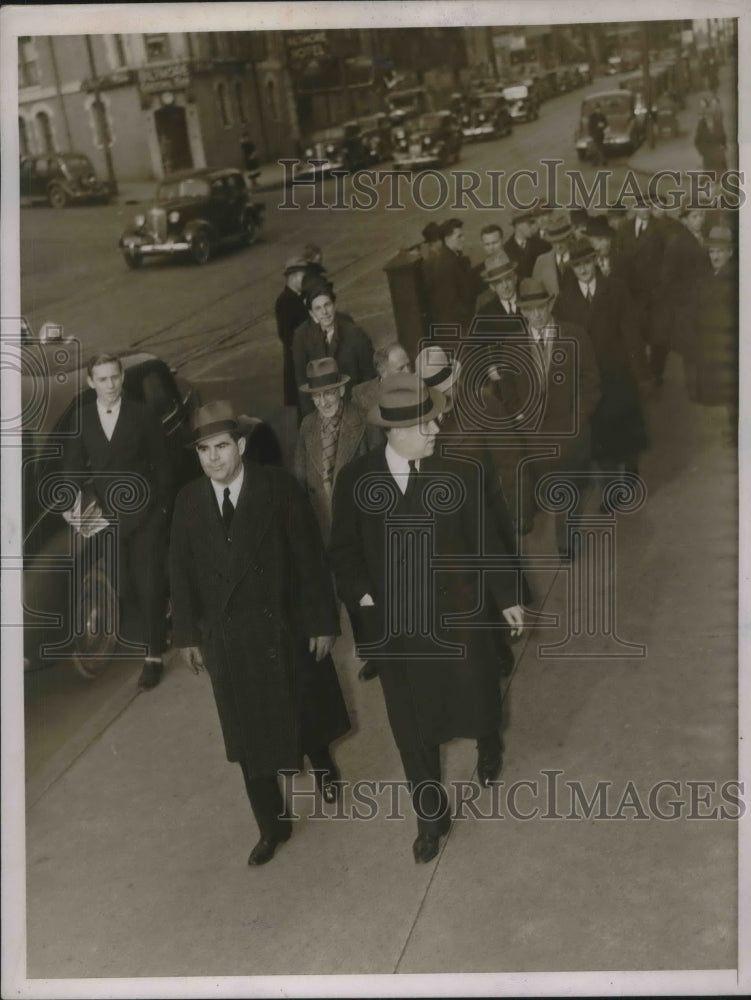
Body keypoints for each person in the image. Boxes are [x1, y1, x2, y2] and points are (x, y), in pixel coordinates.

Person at [330, 374, 525, 863]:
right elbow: (345, 555)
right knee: (412, 726)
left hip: (460, 618)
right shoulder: (356, 481)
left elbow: (486, 542)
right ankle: (430, 818)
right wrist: (368, 600)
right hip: (398, 633)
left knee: (475, 695)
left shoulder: (458, 473)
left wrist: (507, 597)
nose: (438, 428)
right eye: (427, 421)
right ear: (395, 432)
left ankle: (488, 746)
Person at [169, 401, 350, 866]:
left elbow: (310, 560)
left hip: (285, 628)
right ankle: (272, 825)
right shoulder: (189, 502)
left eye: (222, 447)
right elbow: (181, 572)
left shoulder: (279, 489)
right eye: (205, 450)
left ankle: (322, 762)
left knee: (303, 711)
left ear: (241, 446)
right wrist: (188, 635)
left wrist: (322, 622)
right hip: (229, 644)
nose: (213, 458)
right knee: (249, 737)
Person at [62, 354, 174, 690]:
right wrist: (74, 502)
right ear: (90, 382)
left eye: (114, 377)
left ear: (122, 377)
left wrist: (161, 510)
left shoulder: (142, 414)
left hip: (147, 515)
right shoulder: (82, 419)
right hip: (108, 521)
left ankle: (153, 656)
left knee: (148, 582)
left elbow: (164, 465)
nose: (110, 385)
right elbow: (71, 467)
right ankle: (165, 615)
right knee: (126, 587)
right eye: (102, 379)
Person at [507, 279, 601, 552]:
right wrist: (519, 416)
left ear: (549, 305)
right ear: (522, 311)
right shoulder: (512, 346)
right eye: (529, 309)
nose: (536, 315)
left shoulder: (575, 336)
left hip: (569, 431)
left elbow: (591, 381)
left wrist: (578, 418)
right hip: (535, 435)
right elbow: (509, 391)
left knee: (568, 489)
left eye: (541, 307)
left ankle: (565, 540)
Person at [553, 237, 650, 484]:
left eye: (587, 262)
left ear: (596, 261)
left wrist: (639, 373)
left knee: (624, 427)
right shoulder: (564, 301)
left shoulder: (616, 289)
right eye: (577, 265)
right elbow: (563, 344)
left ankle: (630, 473)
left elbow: (631, 334)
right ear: (571, 269)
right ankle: (610, 487)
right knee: (599, 435)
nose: (584, 269)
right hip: (588, 378)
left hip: (618, 372)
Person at [293, 358, 369, 545]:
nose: (323, 402)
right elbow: (299, 481)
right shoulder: (307, 425)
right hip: (325, 530)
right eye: (316, 396)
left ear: (341, 390)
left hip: (362, 526)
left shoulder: (364, 420)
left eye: (329, 393)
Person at [292, 282, 375, 419]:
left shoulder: (355, 334)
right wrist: (312, 419)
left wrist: (363, 411)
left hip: (355, 409)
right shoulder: (303, 337)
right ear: (312, 314)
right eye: (318, 309)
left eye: (327, 305)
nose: (324, 312)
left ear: (334, 305)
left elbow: (369, 377)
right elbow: (302, 383)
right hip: (324, 412)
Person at [615, 196, 668, 385]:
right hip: (631, 293)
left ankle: (656, 375)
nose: (645, 209)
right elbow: (618, 258)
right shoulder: (624, 229)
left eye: (648, 205)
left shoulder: (661, 228)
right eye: (640, 205)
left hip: (654, 294)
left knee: (658, 337)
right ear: (634, 207)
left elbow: (667, 260)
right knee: (634, 335)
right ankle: (638, 374)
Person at [421, 218, 477, 336]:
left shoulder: (450, 258)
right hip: (460, 331)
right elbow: (450, 305)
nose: (463, 239)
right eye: (459, 237)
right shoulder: (447, 264)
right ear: (447, 239)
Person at [274, 256, 311, 419]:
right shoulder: (285, 301)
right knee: (304, 409)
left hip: (301, 362)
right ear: (294, 276)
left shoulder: (297, 297)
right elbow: (286, 336)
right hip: (298, 363)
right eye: (304, 276)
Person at [351, 340, 412, 429]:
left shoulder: (417, 389)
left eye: (409, 365)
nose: (408, 372)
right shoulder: (361, 396)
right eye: (401, 368)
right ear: (383, 372)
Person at [531, 213, 575, 300]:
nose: (558, 246)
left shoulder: (578, 255)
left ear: (569, 237)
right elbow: (536, 294)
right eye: (554, 242)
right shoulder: (541, 261)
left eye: (561, 240)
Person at [503, 209, 551, 280]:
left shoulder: (543, 245)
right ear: (518, 225)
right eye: (530, 223)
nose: (533, 226)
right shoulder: (506, 250)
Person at [694, 99, 727, 176]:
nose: (709, 118)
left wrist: (723, 147)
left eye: (710, 115)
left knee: (722, 175)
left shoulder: (718, 124)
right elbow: (696, 141)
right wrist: (702, 151)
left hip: (718, 156)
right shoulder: (701, 126)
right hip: (707, 156)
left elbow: (723, 137)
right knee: (709, 176)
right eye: (707, 116)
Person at [587, 101, 608, 166]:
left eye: (599, 109)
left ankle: (595, 162)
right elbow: (590, 126)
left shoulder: (602, 116)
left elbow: (606, 123)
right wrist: (592, 134)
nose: (598, 110)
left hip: (601, 134)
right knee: (598, 148)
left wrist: (603, 126)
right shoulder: (592, 117)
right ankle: (603, 160)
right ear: (595, 109)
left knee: (599, 147)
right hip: (595, 134)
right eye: (597, 109)